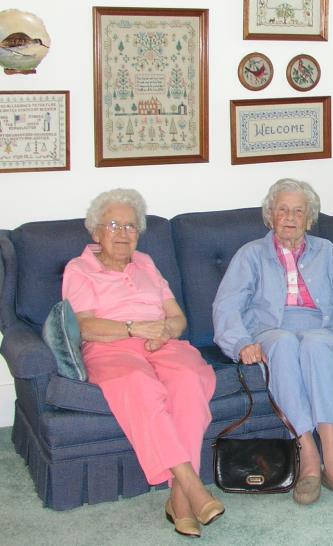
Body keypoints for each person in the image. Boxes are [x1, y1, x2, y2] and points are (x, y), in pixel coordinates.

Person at [63, 189, 223, 537]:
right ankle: (191, 487)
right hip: (111, 348)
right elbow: (84, 326)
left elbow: (178, 317)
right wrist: (132, 328)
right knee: (139, 385)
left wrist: (165, 331)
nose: (123, 234)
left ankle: (179, 500)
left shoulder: (147, 263)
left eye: (131, 227)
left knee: (189, 380)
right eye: (115, 225)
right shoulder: (79, 269)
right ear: (96, 232)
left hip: (160, 344)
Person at [213, 178, 333, 506]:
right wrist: (241, 342)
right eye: (282, 209)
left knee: (314, 345)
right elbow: (226, 305)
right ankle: (309, 455)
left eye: (298, 211)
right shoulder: (251, 255)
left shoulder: (326, 252)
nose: (289, 217)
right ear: (269, 215)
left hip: (321, 327)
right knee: (284, 344)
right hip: (271, 330)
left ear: (309, 219)